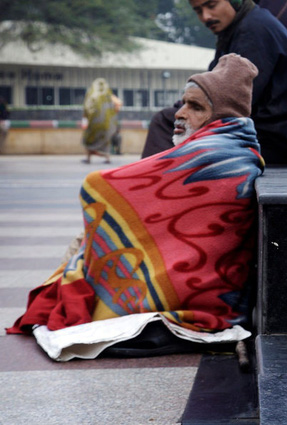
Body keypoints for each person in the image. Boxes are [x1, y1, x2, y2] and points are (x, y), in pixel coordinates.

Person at [8, 54, 266, 361]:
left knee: (94, 223)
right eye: (183, 103)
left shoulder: (216, 155)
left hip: (207, 300)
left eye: (196, 107)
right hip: (221, 299)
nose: (180, 114)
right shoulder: (236, 149)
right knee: (91, 244)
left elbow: (99, 186)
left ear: (222, 116)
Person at [141, 0, 287, 165]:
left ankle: (151, 188)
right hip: (272, 134)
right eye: (198, 10)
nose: (205, 16)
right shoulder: (237, 29)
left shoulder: (253, 31)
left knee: (166, 121)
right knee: (177, 116)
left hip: (277, 141)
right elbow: (210, 86)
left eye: (211, 5)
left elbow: (227, 99)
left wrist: (184, 109)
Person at [82, 78, 119, 164]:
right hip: (106, 124)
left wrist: (86, 117)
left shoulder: (92, 95)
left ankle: (88, 158)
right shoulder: (108, 95)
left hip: (94, 123)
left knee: (90, 140)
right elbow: (118, 104)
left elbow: (87, 107)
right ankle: (107, 158)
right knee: (106, 141)